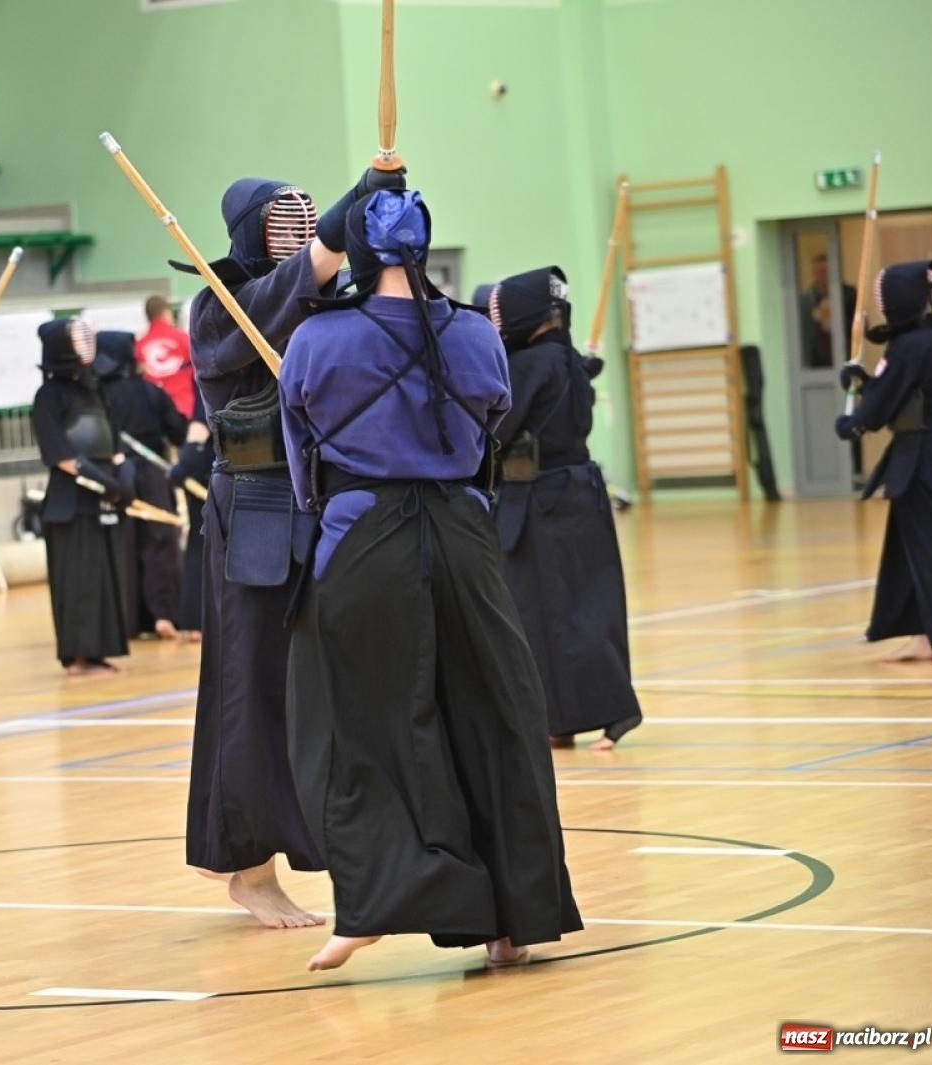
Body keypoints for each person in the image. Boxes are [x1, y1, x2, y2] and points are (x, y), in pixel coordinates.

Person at [279, 188, 582, 972]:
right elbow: (491, 418)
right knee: (497, 716)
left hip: (361, 536)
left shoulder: (318, 339)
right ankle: (513, 918)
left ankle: (375, 904)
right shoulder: (480, 339)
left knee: (367, 725)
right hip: (464, 534)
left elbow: (300, 450)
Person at [180, 165, 401, 927]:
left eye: (306, 222)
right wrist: (351, 204)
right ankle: (251, 867)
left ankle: (345, 847)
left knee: (328, 683)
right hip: (255, 508)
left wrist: (381, 207)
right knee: (254, 685)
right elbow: (283, 293)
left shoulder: (316, 309)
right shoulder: (220, 310)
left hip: (323, 502)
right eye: (283, 224)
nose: (297, 235)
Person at [488, 267, 642, 749]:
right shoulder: (568, 360)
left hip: (542, 500)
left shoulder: (530, 364)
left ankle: (597, 712)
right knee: (583, 608)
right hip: (578, 494)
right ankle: (568, 716)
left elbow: (494, 432)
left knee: (543, 613)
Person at [836, 260, 932, 664]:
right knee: (910, 549)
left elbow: (882, 405)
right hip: (929, 457)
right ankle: (922, 636)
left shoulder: (912, 345)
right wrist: (862, 381)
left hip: (926, 460)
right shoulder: (929, 338)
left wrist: (853, 422)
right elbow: (895, 387)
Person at [31, 318, 133, 674]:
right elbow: (58, 454)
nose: (86, 345)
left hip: (101, 496)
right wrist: (98, 478)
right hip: (69, 502)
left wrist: (122, 476)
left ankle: (99, 650)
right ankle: (76, 654)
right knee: (77, 579)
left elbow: (113, 437)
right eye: (77, 340)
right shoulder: (47, 396)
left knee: (105, 576)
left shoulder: (96, 389)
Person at [95, 329, 189, 638]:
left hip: (112, 478)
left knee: (123, 544)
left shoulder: (96, 396)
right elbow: (178, 432)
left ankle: (127, 621)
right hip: (152, 477)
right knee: (159, 542)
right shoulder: (151, 392)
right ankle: (163, 614)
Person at [170, 391, 214, 642]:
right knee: (202, 544)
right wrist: (188, 460)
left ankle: (196, 620)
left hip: (213, 468)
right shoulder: (215, 364)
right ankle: (196, 621)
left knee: (202, 545)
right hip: (209, 470)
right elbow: (201, 420)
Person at [136, 295, 197, 419]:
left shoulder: (138, 345)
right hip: (185, 408)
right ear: (166, 313)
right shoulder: (184, 338)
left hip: (154, 413)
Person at [801, 252, 859, 369]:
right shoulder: (807, 299)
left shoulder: (849, 294)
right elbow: (803, 331)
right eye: (817, 273)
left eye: (824, 272)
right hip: (817, 361)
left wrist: (836, 317)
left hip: (845, 355)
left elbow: (860, 325)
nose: (821, 276)